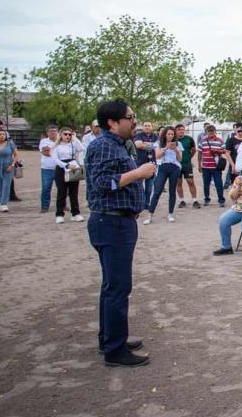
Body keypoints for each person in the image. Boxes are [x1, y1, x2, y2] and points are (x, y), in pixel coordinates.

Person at [85, 99, 157, 367]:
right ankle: (115, 351)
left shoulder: (114, 146)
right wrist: (137, 172)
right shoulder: (104, 146)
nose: (134, 121)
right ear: (113, 122)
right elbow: (102, 183)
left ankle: (111, 338)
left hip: (117, 222)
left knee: (111, 285)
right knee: (118, 287)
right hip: (112, 223)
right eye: (130, 117)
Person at [144, 126, 183, 224]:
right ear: (165, 134)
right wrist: (166, 148)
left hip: (174, 167)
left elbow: (180, 159)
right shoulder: (159, 143)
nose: (170, 136)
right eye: (169, 134)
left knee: (172, 191)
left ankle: (170, 214)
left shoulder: (178, 144)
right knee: (157, 191)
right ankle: (150, 215)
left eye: (172, 134)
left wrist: (176, 150)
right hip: (162, 167)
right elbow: (157, 156)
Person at [53, 126, 85, 223]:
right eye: (65, 134)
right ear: (61, 135)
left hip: (73, 167)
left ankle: (75, 213)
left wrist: (75, 138)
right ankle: (59, 214)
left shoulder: (73, 144)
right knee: (61, 192)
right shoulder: (57, 146)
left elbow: (81, 148)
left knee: (73, 192)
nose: (67, 136)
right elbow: (55, 159)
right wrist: (66, 165)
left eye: (69, 134)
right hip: (62, 168)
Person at [171, 124, 199, 209]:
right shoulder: (172, 139)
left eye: (183, 129)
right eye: (179, 129)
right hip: (176, 165)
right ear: (175, 130)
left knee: (190, 182)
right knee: (178, 183)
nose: (181, 131)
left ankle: (195, 200)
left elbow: (193, 150)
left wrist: (188, 158)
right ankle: (182, 200)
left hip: (187, 164)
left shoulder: (189, 139)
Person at [197, 124, 226, 207]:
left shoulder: (220, 141)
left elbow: (224, 151)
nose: (210, 133)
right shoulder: (203, 141)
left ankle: (221, 200)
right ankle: (206, 199)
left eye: (212, 131)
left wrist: (216, 151)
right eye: (208, 132)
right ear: (206, 132)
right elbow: (199, 153)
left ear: (215, 132)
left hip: (216, 167)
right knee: (206, 184)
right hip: (205, 167)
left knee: (218, 184)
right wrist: (199, 165)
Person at [133, 121, 158, 208]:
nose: (147, 127)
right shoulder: (138, 135)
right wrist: (152, 145)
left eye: (149, 125)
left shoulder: (155, 136)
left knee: (149, 186)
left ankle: (147, 203)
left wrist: (145, 144)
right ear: (142, 127)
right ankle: (139, 202)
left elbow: (158, 146)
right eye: (145, 126)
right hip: (139, 163)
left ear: (152, 127)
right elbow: (138, 145)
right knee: (138, 184)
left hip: (151, 163)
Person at [39, 125, 59, 213]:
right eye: (51, 131)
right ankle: (44, 206)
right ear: (47, 133)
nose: (53, 133)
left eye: (55, 131)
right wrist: (58, 152)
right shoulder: (44, 141)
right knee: (46, 188)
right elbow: (45, 152)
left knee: (62, 188)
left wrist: (51, 150)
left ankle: (62, 205)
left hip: (59, 167)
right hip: (47, 168)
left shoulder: (61, 140)